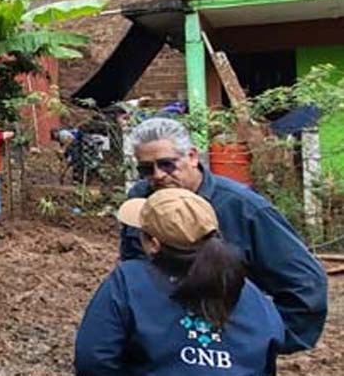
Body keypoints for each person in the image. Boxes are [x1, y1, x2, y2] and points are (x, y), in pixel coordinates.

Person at [120, 117, 327, 354]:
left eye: (167, 164)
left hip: (224, 342)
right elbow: (133, 266)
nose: (157, 175)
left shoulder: (244, 208)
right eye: (146, 169)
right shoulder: (141, 200)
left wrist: (262, 340)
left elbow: (305, 285)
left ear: (192, 156)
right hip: (158, 343)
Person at [75, 188, 285, 375]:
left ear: (154, 245)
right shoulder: (252, 295)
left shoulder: (129, 281)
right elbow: (268, 357)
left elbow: (93, 358)